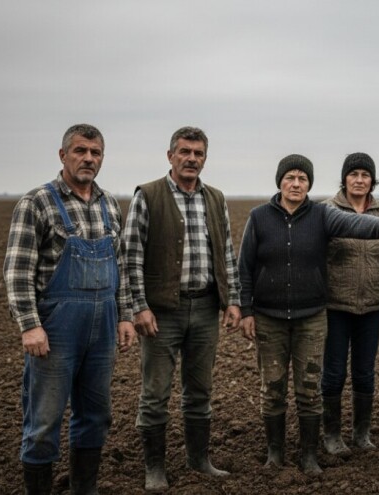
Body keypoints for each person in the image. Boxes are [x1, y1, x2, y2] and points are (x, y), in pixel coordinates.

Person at [238, 154, 379, 475]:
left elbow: (353, 223)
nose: (296, 184)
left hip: (313, 315)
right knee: (273, 387)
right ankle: (275, 454)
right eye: (290, 178)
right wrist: (246, 309)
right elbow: (245, 267)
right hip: (271, 316)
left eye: (302, 179)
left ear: (310, 184)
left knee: (310, 387)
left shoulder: (321, 214)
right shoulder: (259, 216)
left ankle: (309, 455)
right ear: (280, 181)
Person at [3, 124, 137, 495]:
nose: (88, 159)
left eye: (95, 153)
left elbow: (120, 267)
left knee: (96, 414)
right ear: (63, 155)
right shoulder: (37, 203)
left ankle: (84, 488)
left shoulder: (109, 204)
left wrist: (125, 315)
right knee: (44, 420)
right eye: (80, 151)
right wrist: (30, 325)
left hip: (103, 327)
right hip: (56, 328)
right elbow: (17, 272)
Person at [122, 126, 241, 492]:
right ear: (170, 155)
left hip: (205, 307)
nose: (192, 159)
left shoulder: (215, 198)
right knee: (155, 392)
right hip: (161, 312)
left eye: (199, 153)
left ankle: (199, 460)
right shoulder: (149, 195)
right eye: (185, 152)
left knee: (200, 389)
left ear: (205, 158)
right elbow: (130, 256)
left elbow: (226, 253)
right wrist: (138, 308)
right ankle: (154, 467)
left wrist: (232, 298)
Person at [321, 153, 379, 456]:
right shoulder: (327, 209)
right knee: (334, 371)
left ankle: (361, 433)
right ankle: (332, 434)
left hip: (372, 306)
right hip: (336, 304)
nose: (360, 180)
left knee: (364, 371)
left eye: (365, 175)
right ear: (345, 178)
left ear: (372, 180)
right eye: (354, 174)